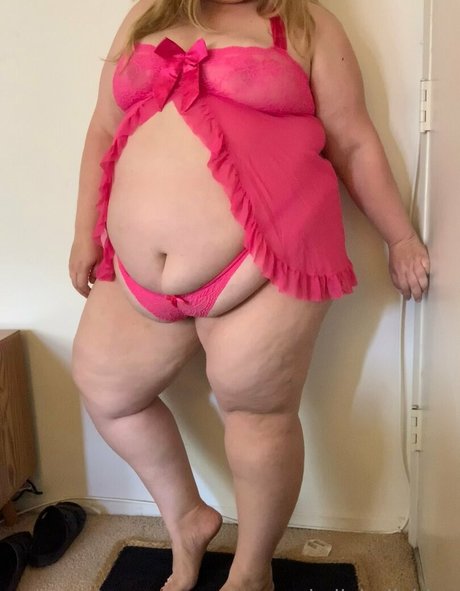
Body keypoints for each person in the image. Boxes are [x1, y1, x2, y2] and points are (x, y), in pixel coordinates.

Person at [69, 0, 430, 590]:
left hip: (267, 256)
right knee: (107, 388)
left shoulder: (309, 26)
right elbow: (102, 130)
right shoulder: (146, 15)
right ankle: (187, 520)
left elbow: (352, 140)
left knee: (257, 414)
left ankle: (251, 570)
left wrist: (400, 236)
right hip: (135, 273)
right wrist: (84, 232)